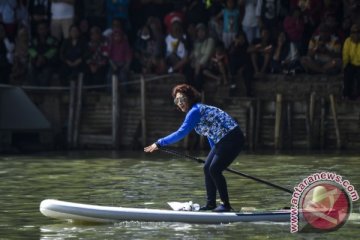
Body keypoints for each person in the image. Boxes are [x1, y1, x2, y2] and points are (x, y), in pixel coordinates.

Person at [144, 84, 245, 212]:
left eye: (183, 99)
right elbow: (209, 132)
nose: (180, 103)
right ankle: (211, 204)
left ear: (190, 98)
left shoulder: (195, 111)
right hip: (222, 141)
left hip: (233, 138)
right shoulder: (196, 110)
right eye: (177, 100)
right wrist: (216, 157)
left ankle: (226, 205)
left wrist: (159, 143)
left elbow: (181, 133)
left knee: (214, 169)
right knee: (208, 168)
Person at [342, 23, 360, 101]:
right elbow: (345, 55)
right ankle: (346, 95)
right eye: (353, 32)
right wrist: (344, 66)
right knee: (347, 73)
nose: (355, 34)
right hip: (351, 63)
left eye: (357, 32)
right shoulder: (348, 41)